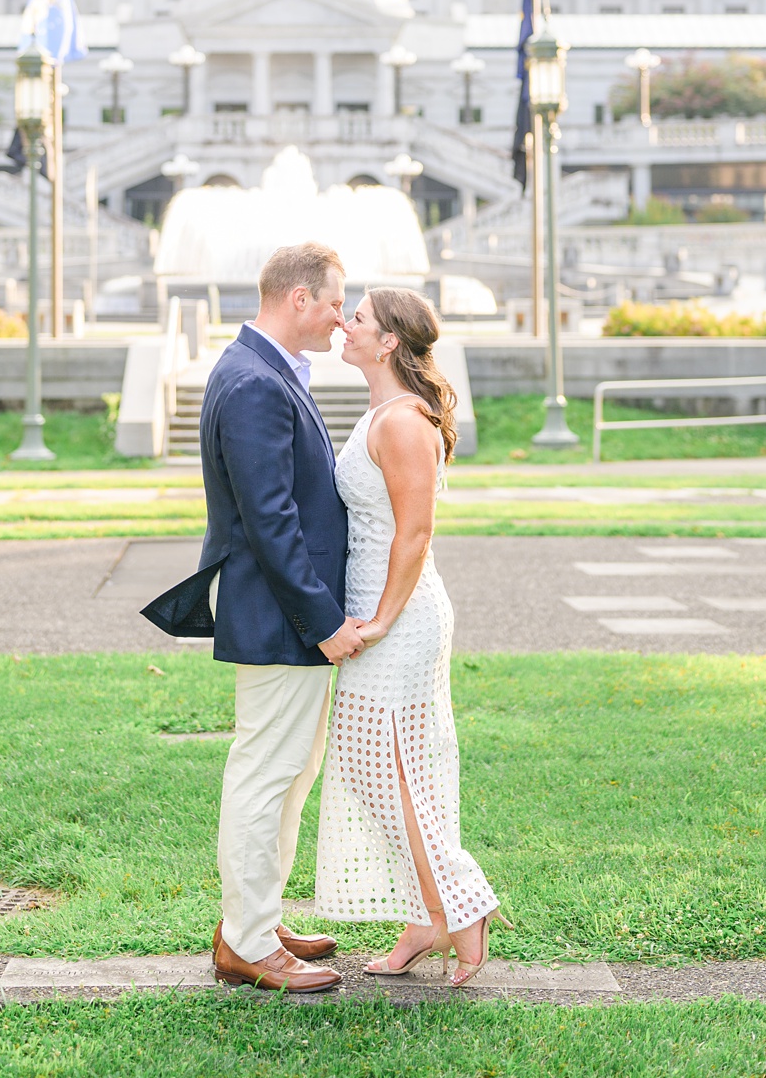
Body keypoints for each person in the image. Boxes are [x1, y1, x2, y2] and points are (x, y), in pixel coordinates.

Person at [317, 285, 506, 985]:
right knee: (384, 771)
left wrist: (386, 616)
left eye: (357, 318)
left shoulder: (400, 421)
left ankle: (461, 909)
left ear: (389, 341)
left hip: (400, 615)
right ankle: (431, 913)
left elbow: (415, 530)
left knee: (393, 773)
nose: (345, 323)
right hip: (378, 611)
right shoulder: (382, 411)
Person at [195, 241, 365, 994]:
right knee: (268, 773)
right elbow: (271, 522)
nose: (340, 316)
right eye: (334, 301)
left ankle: (257, 918)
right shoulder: (255, 382)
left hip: (280, 614)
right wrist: (323, 620)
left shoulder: (259, 369)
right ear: (299, 299)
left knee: (290, 773)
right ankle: (248, 941)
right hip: (280, 616)